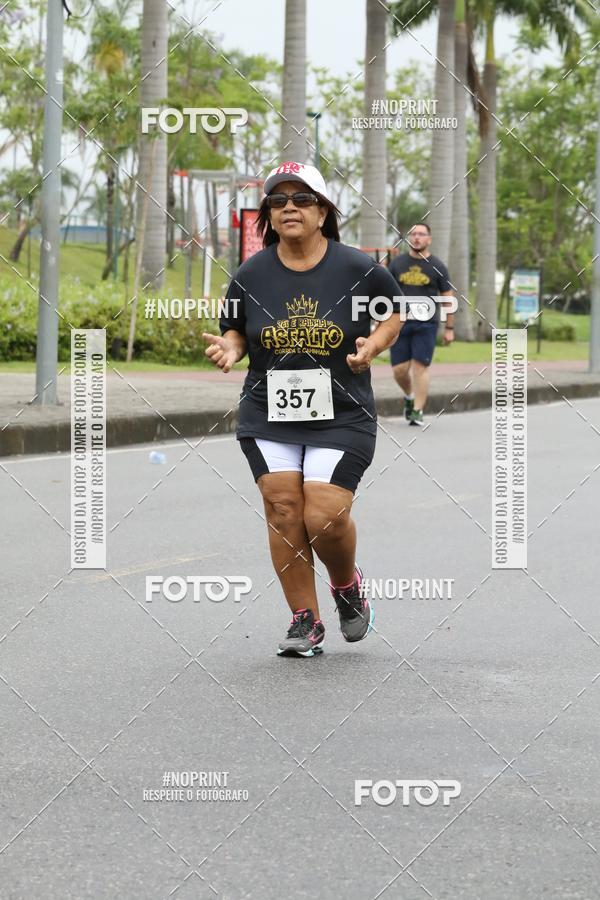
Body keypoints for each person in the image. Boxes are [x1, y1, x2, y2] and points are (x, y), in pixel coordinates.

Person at [203, 161, 402, 658]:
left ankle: (345, 587)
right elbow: (235, 327)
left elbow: (393, 313)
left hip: (342, 411)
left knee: (325, 516)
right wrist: (230, 348)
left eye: (301, 199)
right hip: (268, 412)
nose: (289, 207)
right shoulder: (251, 272)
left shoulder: (357, 268)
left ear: (323, 211)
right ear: (268, 214)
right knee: (284, 509)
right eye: (278, 200)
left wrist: (373, 347)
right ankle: (304, 620)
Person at [388, 223, 455, 426]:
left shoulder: (438, 266)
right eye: (413, 234)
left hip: (426, 324)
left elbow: (448, 299)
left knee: (420, 367)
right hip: (399, 322)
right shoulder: (397, 264)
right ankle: (409, 396)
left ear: (429, 239)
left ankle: (417, 410)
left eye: (421, 234)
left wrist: (449, 328)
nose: (416, 237)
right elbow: (385, 293)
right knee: (399, 370)